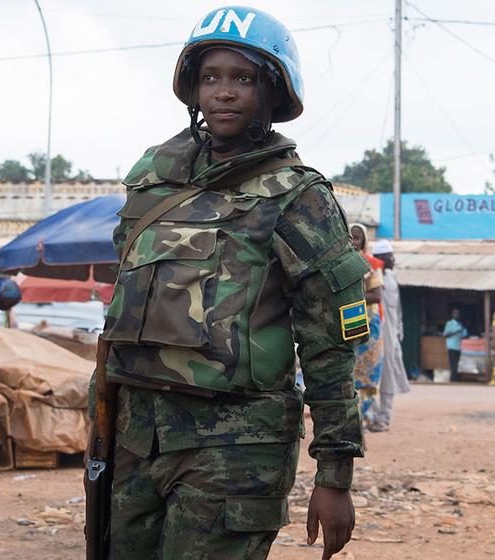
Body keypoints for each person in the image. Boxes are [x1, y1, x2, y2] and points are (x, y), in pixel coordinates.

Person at [98, 8, 365, 558]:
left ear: (273, 92)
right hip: (136, 438)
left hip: (237, 446)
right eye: (211, 77)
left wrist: (334, 474)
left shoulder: (298, 196)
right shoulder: (153, 179)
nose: (224, 93)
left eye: (243, 78)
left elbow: (329, 345)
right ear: (192, 88)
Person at [370, 239, 409, 432]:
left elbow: (399, 309)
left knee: (388, 378)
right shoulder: (370, 276)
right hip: (373, 334)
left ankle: (384, 418)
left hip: (391, 336)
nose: (393, 260)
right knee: (367, 378)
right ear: (380, 259)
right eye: (390, 257)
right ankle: (371, 415)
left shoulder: (392, 278)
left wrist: (399, 332)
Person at [349, 225, 385, 429]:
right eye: (351, 237)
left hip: (369, 323)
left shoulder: (372, 265)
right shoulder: (339, 263)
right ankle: (352, 418)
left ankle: (367, 416)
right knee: (349, 369)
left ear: (364, 242)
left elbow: (377, 295)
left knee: (370, 370)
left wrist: (351, 298)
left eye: (358, 238)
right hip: (347, 322)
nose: (354, 242)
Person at [441, 308, 467, 377]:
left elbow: (463, 335)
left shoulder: (460, 324)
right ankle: (453, 379)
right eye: (455, 313)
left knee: (457, 363)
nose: (456, 315)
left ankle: (455, 377)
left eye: (457, 313)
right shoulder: (449, 323)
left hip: (458, 346)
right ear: (452, 314)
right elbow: (445, 335)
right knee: (453, 364)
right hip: (451, 346)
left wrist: (464, 332)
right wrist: (456, 331)